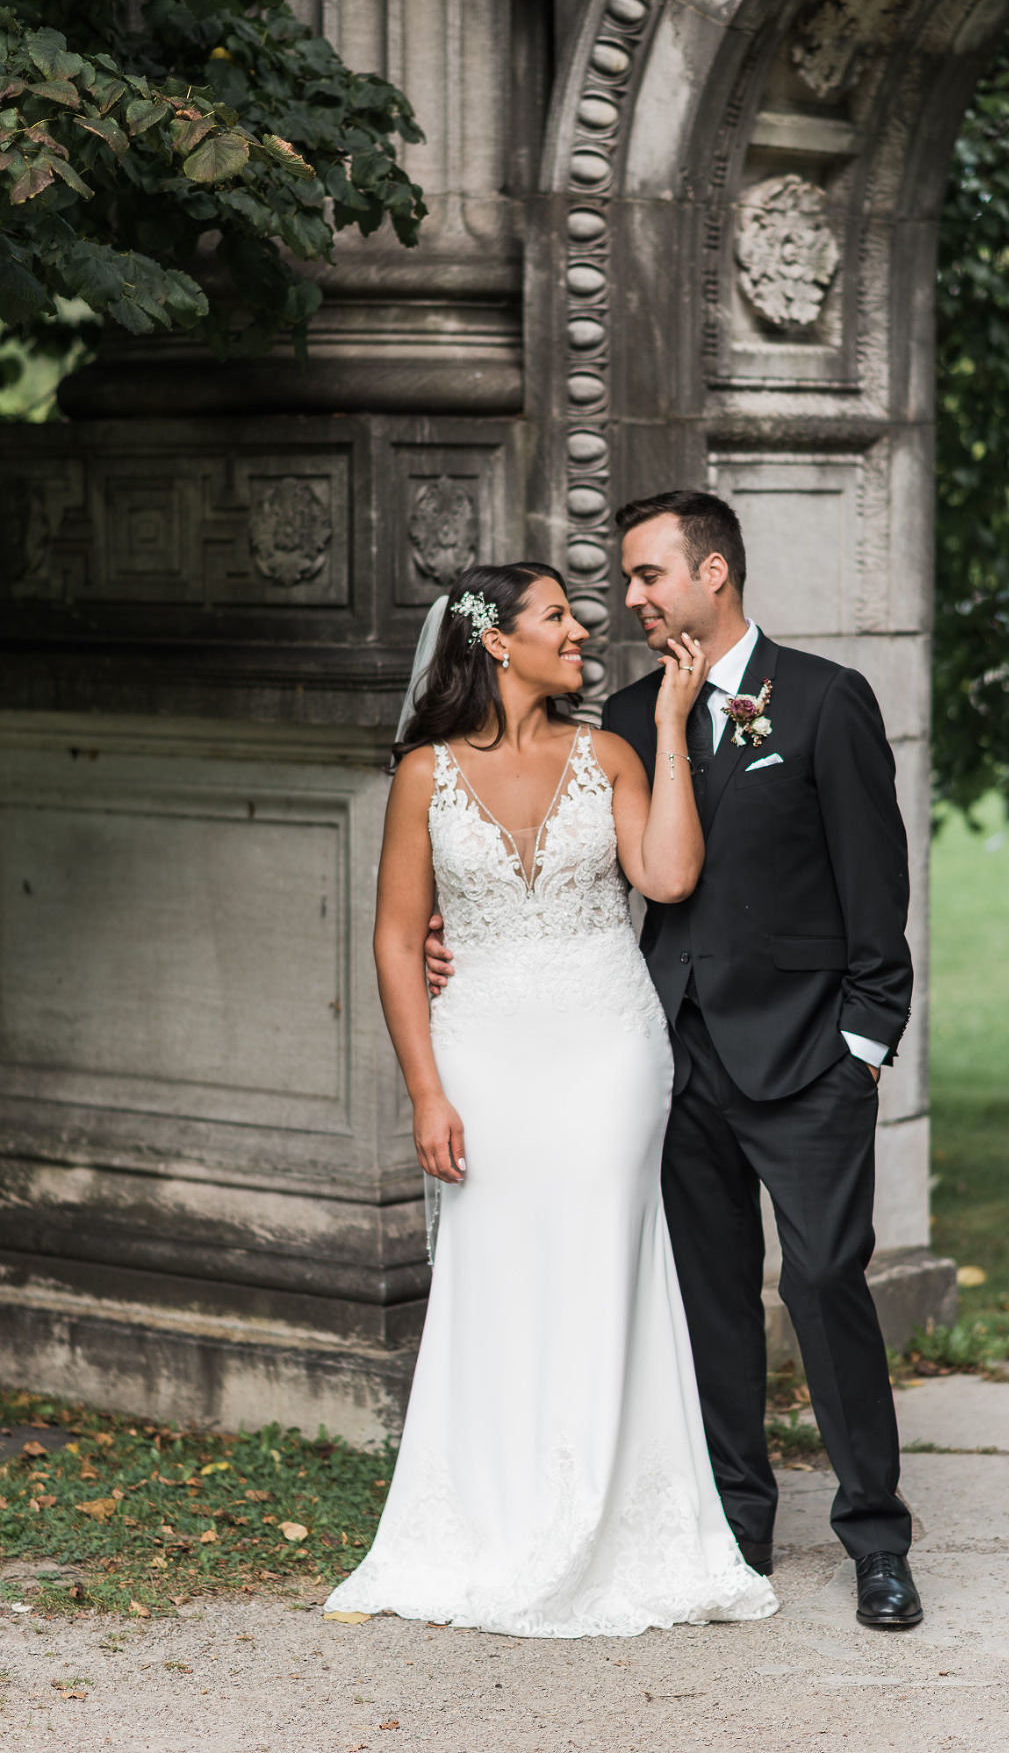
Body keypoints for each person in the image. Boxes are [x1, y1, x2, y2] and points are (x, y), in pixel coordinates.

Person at [429, 493, 923, 1631]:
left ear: (714, 573)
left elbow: (876, 891)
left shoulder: (825, 701)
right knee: (706, 1302)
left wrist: (860, 1044)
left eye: (650, 578)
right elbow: (601, 867)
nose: (634, 602)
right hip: (667, 1055)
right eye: (630, 584)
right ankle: (735, 1525)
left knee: (822, 1282)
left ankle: (877, 1539)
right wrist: (456, 929)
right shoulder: (633, 710)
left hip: (806, 1062)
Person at [324, 560, 777, 1638]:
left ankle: (617, 1520)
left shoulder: (609, 751)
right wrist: (425, 1089)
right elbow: (395, 939)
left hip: (608, 1047)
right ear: (494, 641)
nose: (581, 631)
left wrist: (671, 726)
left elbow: (665, 879)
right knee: (495, 1270)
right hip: (481, 1050)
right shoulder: (424, 777)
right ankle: (494, 1514)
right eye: (557, 617)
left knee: (603, 1261)